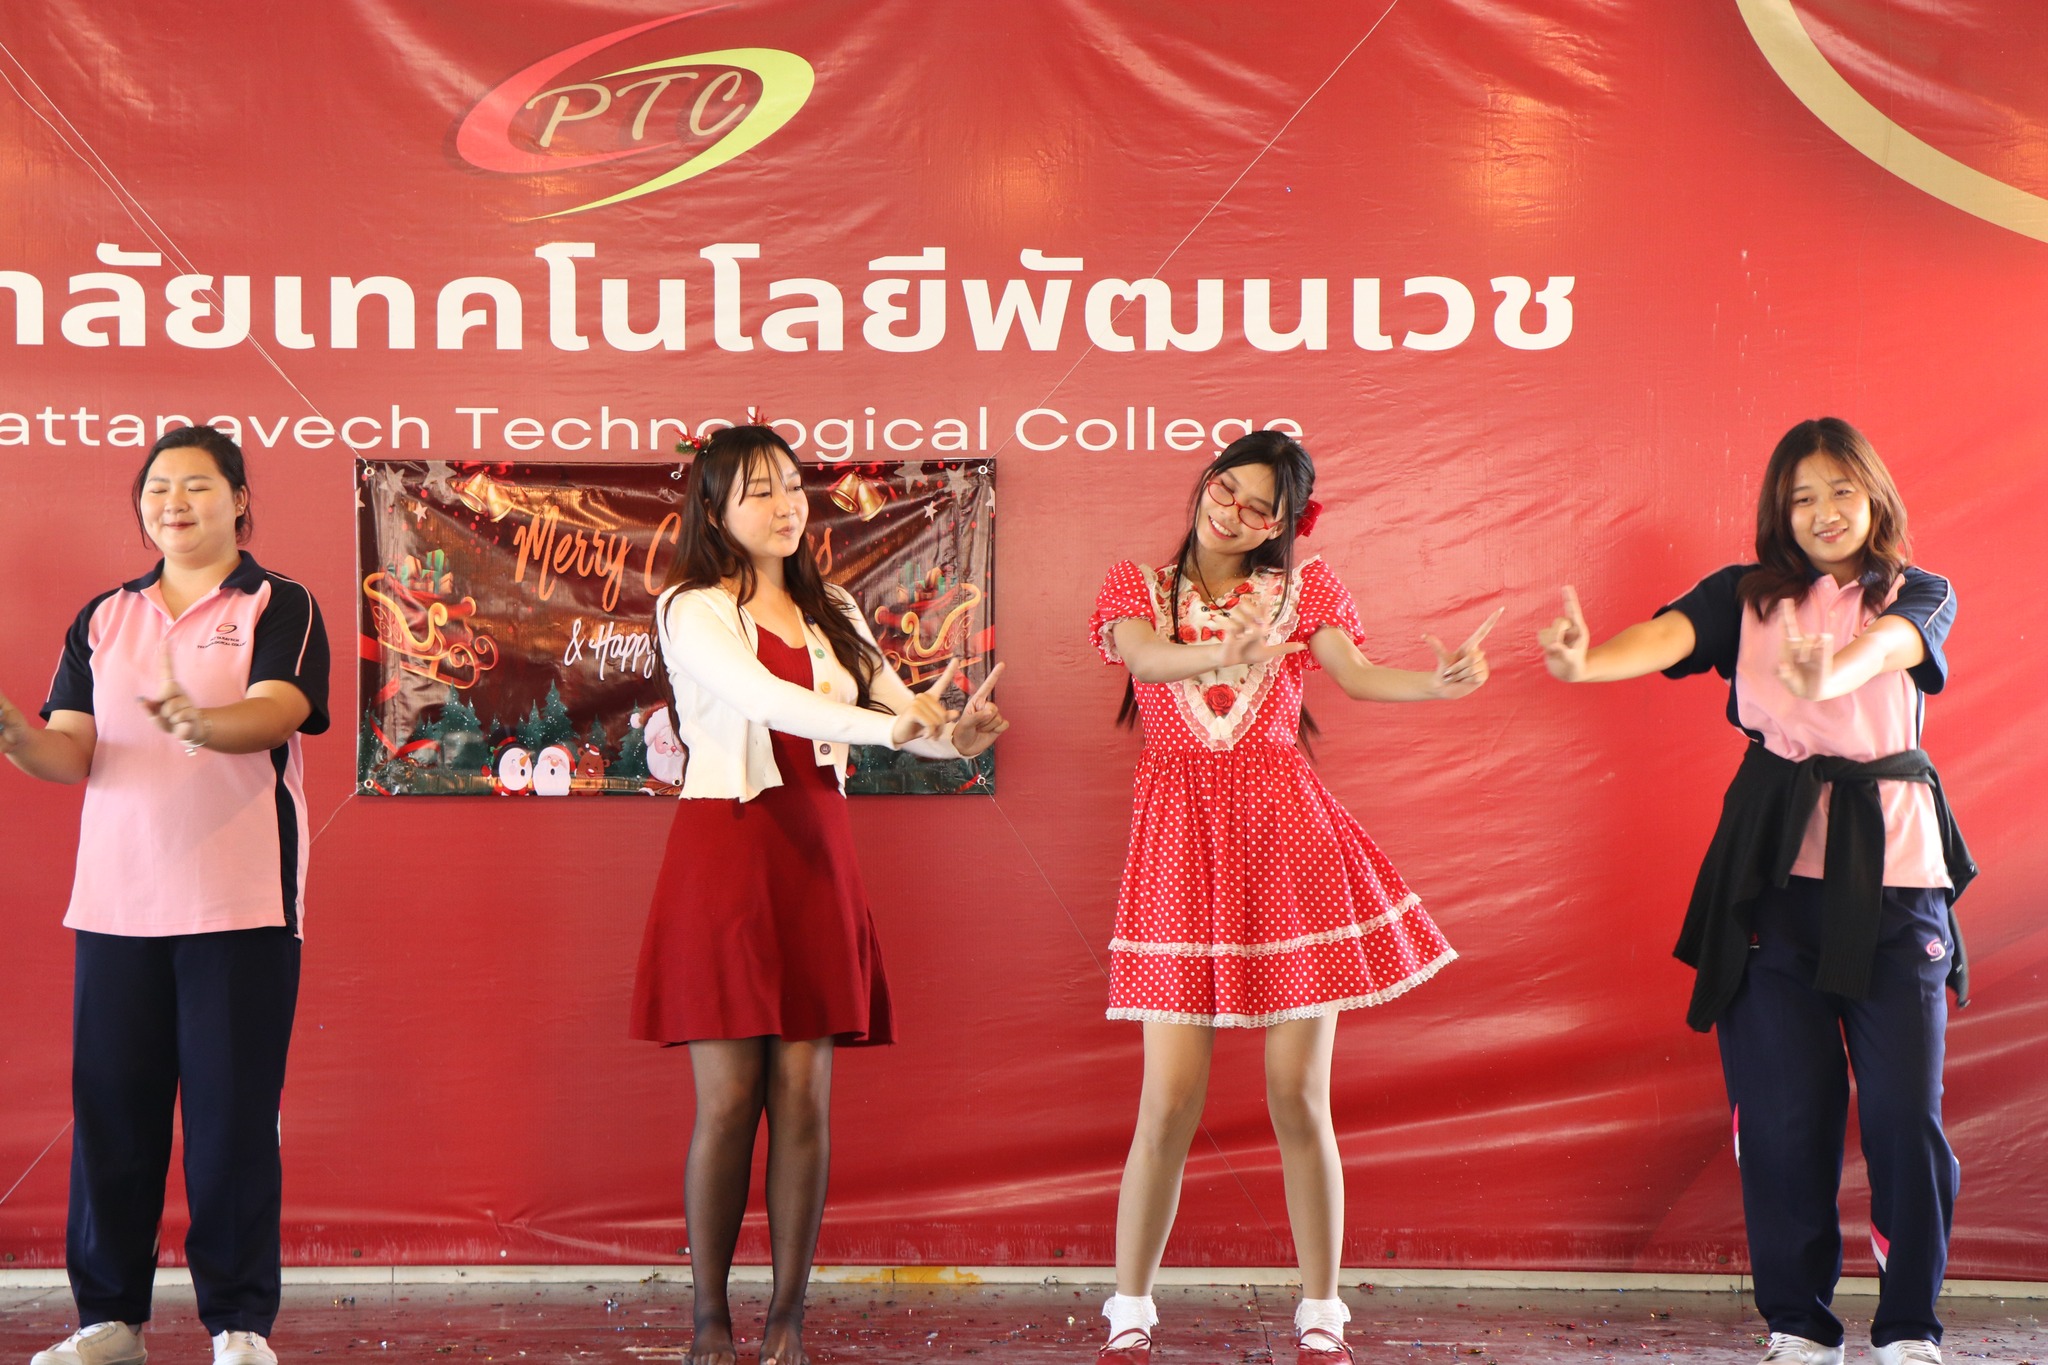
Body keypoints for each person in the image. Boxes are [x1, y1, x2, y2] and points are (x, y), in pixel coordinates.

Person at [1537, 417, 1968, 1365]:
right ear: (1780, 510)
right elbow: (1668, 635)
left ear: (1874, 496)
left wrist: (1832, 666)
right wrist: (1583, 661)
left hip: (1895, 888)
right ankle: (1799, 1325)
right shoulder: (1746, 594)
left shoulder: (1918, 590)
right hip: (1770, 883)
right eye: (1802, 496)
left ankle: (1909, 1328)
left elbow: (1891, 648)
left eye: (1840, 491)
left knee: (1905, 1117)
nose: (1823, 511)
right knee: (1782, 1117)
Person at [1087, 430, 1498, 1365]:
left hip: (1290, 848)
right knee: (1168, 1100)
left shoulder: (1304, 590)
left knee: (1297, 1094)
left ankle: (1322, 1311)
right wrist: (1216, 655)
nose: (1230, 513)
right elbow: (1143, 660)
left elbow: (1352, 673)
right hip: (1179, 849)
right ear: (1206, 482)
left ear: (1285, 523)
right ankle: (1129, 1308)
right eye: (1224, 489)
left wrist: (1436, 686)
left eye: (1257, 507)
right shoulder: (1135, 586)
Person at [632, 425, 1008, 1365]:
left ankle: (787, 1321)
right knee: (729, 1101)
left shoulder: (832, 604)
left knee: (803, 1096)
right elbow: (767, 700)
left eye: (793, 487)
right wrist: (891, 727)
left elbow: (897, 709)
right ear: (714, 509)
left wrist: (951, 736)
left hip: (816, 851)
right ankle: (709, 1320)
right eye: (759, 491)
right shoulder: (690, 607)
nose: (786, 506)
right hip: (726, 850)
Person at [0, 425, 331, 1365]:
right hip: (116, 905)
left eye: (195, 485)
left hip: (240, 902)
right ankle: (110, 1320)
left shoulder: (279, 601)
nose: (173, 503)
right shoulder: (105, 616)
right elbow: (71, 748)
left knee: (231, 1122)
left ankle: (239, 1325)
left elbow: (282, 708)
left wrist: (204, 721)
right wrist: (17, 738)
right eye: (156, 488)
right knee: (114, 1119)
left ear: (239, 500)